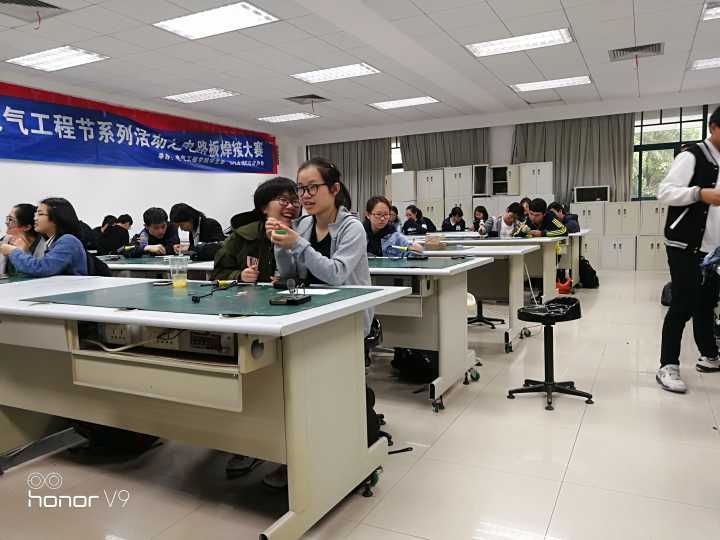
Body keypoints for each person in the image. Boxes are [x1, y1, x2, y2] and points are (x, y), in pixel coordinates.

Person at [266, 157, 371, 490]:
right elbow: (291, 275)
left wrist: (296, 243)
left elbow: (336, 274)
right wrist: (280, 245)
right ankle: (302, 456)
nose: (305, 196)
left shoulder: (352, 228)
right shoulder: (303, 226)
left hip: (347, 319)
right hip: (312, 314)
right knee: (298, 390)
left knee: (332, 394)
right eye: (301, 189)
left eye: (312, 188)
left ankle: (343, 453)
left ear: (334, 188)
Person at [655, 106, 720, 393]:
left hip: (712, 248)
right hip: (684, 244)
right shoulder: (692, 156)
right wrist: (699, 193)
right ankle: (667, 365)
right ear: (713, 127)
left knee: (706, 303)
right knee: (683, 303)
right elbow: (665, 192)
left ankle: (709, 355)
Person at [212, 177, 300, 283]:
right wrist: (240, 275)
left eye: (295, 201)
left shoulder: (307, 233)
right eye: (283, 200)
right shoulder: (243, 236)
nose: (290, 206)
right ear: (264, 207)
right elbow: (217, 274)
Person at [0, 198, 87, 276]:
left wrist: (12, 251)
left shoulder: (68, 241)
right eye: (36, 214)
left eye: (40, 214)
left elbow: (41, 268)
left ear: (55, 218)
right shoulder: (52, 243)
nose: (35, 218)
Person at [1, 204, 46, 275]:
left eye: (10, 219)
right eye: (7, 218)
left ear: (27, 227)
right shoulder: (4, 241)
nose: (6, 222)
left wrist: (24, 252)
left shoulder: (45, 246)